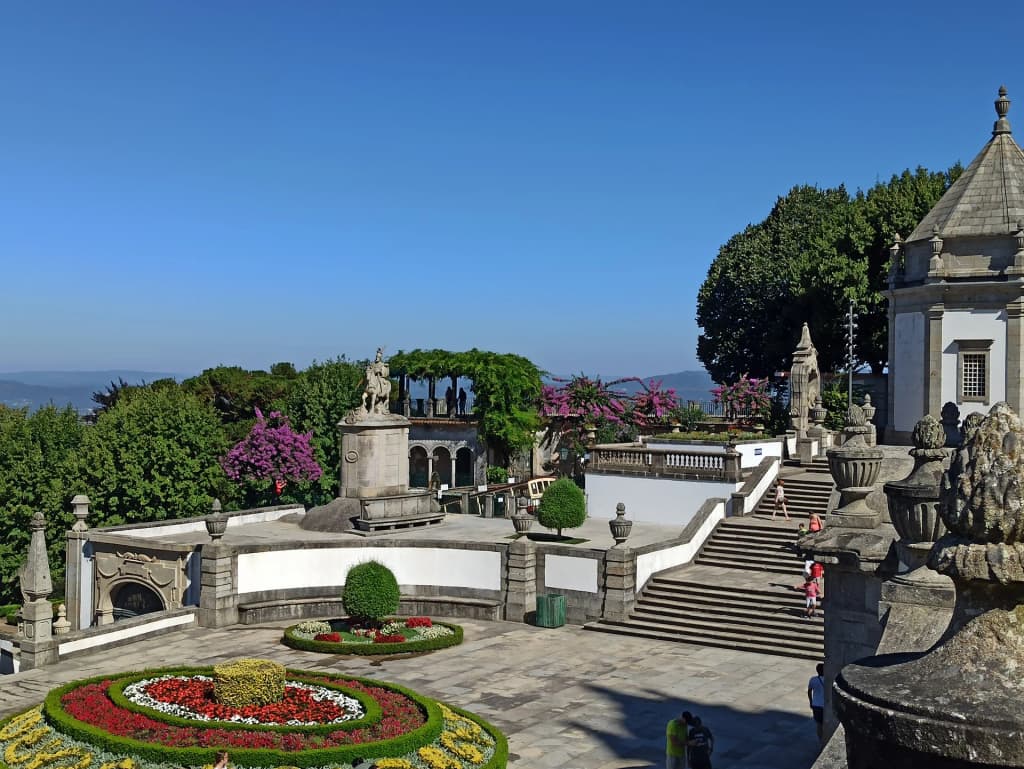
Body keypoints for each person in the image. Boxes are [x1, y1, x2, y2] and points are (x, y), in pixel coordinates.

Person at [807, 663, 826, 742]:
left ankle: (820, 740)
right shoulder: (828, 679)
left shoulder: (813, 679)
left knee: (819, 724)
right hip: (825, 705)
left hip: (816, 705)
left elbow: (809, 691)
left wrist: (811, 701)